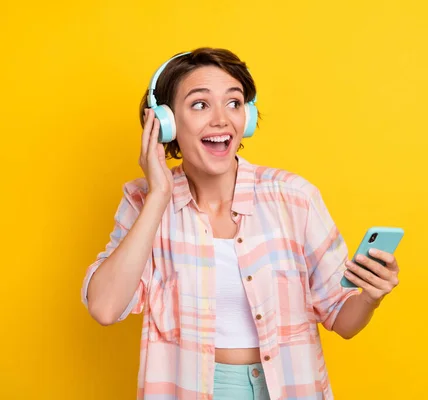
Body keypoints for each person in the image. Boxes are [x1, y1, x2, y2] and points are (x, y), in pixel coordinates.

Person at [81, 47, 400, 400]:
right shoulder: (143, 202)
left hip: (287, 388)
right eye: (200, 104)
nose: (221, 120)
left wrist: (371, 296)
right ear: (165, 122)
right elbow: (105, 308)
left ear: (246, 116)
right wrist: (158, 195)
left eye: (233, 103)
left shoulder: (294, 197)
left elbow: (343, 320)